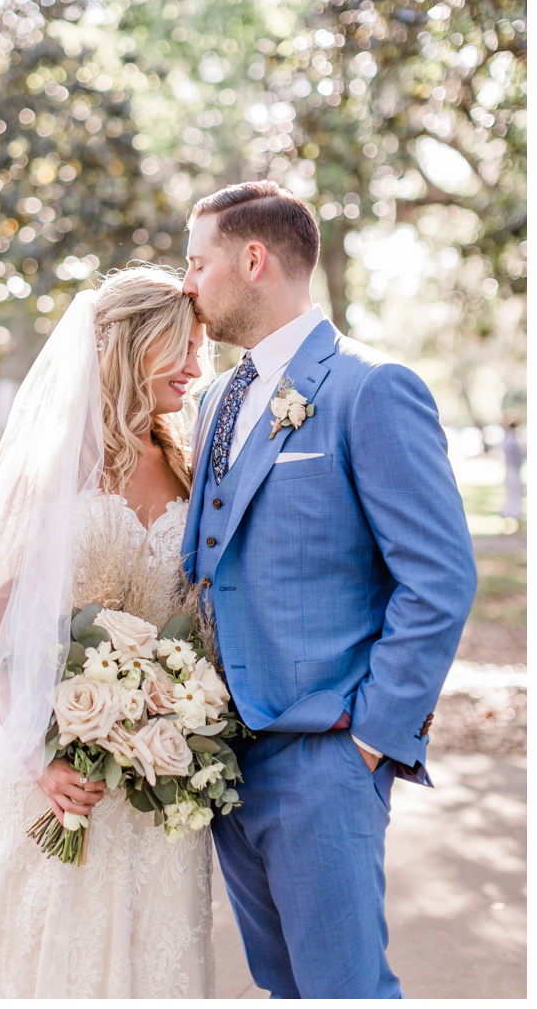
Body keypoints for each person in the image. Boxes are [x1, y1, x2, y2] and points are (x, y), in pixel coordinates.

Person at [181, 180, 476, 998]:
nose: (187, 285)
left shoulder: (369, 389)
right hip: (225, 758)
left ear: (253, 258)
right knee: (284, 990)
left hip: (325, 757)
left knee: (346, 993)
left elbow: (440, 577)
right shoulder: (214, 400)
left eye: (197, 263)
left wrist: (371, 741)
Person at [0, 266, 216, 997]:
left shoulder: (190, 466)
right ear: (130, 350)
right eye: (181, 348)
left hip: (162, 763)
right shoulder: (58, 462)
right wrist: (34, 749)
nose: (197, 367)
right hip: (62, 768)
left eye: (200, 349)